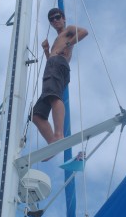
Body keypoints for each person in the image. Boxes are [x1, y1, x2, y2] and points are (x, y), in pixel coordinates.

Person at [32, 8, 88, 152]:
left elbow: (83, 32)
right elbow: (51, 58)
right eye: (51, 19)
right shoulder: (57, 39)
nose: (55, 20)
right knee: (36, 114)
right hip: (52, 66)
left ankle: (59, 135)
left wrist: (68, 44)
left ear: (63, 18)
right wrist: (46, 50)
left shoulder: (68, 30)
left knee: (53, 95)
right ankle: (52, 143)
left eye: (57, 17)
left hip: (58, 64)